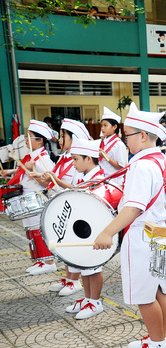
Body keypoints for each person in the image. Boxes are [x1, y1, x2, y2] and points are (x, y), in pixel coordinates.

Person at [93, 102, 166, 348]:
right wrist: (156, 214)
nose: (125, 141)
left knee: (144, 295)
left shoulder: (140, 165)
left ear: (142, 136)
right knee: (158, 291)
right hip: (158, 233)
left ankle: (158, 343)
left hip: (141, 237)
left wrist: (107, 232)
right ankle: (159, 338)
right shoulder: (164, 161)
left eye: (127, 136)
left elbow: (132, 208)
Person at [1, 120, 56, 275]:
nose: (26, 139)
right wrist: (9, 173)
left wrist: (36, 175)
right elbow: (22, 170)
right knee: (30, 228)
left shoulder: (44, 159)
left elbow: (49, 183)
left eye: (29, 136)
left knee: (39, 229)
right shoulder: (31, 156)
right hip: (28, 196)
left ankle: (49, 260)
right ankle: (40, 259)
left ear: (39, 140)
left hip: (38, 197)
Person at [61, 139, 107, 319]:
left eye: (75, 159)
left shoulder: (98, 178)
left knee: (93, 266)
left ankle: (95, 302)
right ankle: (88, 298)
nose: (73, 164)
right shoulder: (87, 176)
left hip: (93, 228)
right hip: (84, 227)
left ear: (89, 158)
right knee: (84, 265)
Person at [44, 119, 92, 295]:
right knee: (62, 243)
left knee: (70, 243)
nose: (60, 138)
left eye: (63, 135)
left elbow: (72, 186)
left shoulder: (77, 159)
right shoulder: (64, 158)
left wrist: (53, 180)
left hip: (72, 205)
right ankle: (68, 278)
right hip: (61, 202)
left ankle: (74, 280)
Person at [99, 107, 128, 185]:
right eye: (101, 126)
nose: (102, 128)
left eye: (105, 125)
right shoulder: (104, 142)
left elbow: (121, 167)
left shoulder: (118, 144)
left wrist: (105, 157)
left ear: (114, 127)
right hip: (103, 179)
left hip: (114, 182)